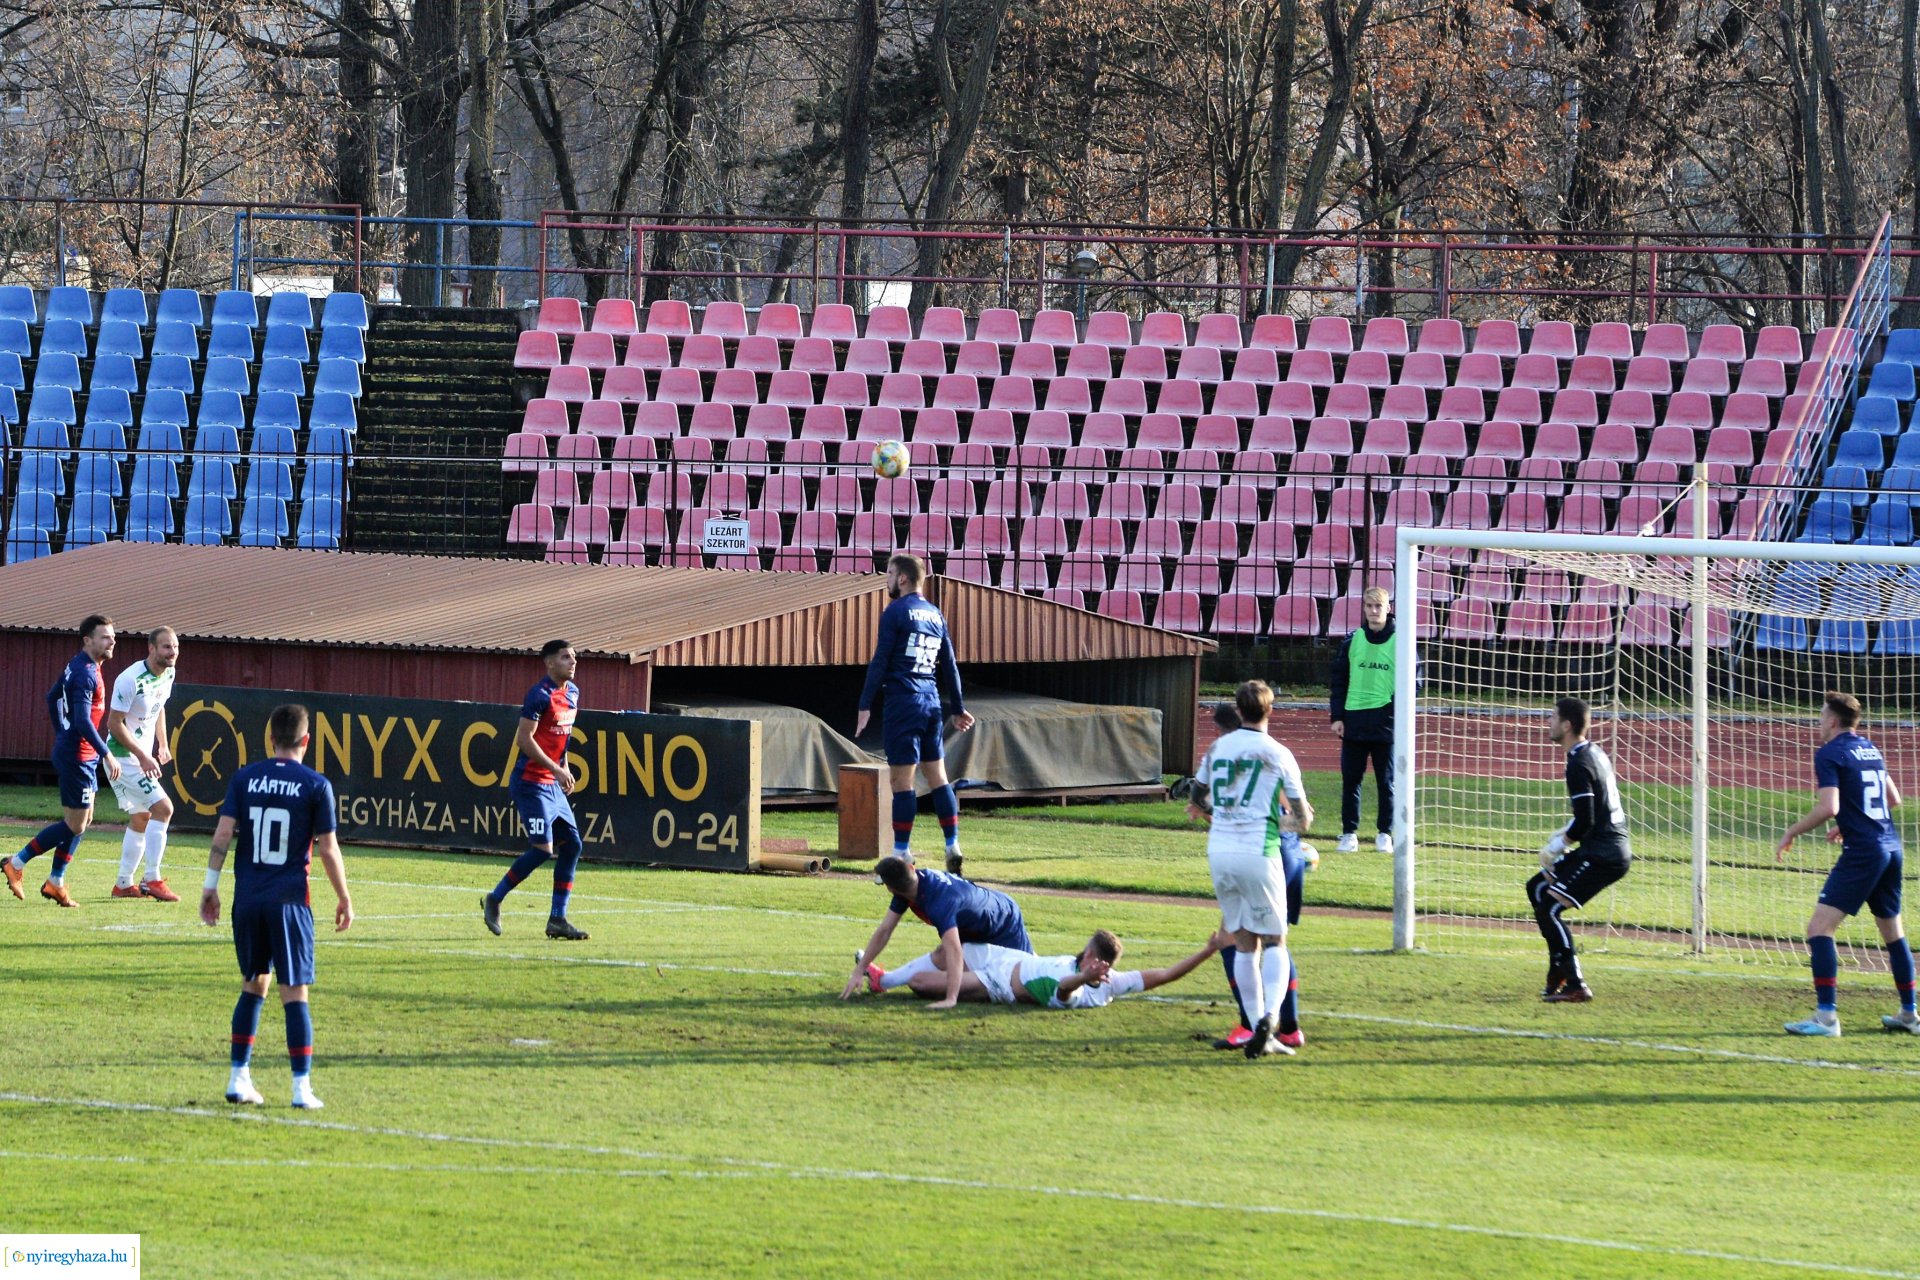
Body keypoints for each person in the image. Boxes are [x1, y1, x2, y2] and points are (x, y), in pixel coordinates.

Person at [198, 703, 352, 1110]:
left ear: (269, 740)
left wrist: (209, 887)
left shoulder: (245, 778)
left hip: (248, 898)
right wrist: (343, 896)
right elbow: (328, 850)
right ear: (307, 740)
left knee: (254, 984)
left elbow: (223, 833)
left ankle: (238, 1078)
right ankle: (301, 1088)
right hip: (288, 901)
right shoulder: (316, 785)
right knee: (294, 992)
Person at [1776, 692, 1917, 1037]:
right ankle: (1910, 1015)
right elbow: (1893, 799)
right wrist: (1852, 821)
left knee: (1819, 929)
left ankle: (1826, 1019)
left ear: (1833, 721)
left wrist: (1791, 831)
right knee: (1893, 933)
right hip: (1890, 848)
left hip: (1864, 853)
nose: (1819, 722)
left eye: (1822, 716)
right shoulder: (1870, 747)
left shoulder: (1829, 753)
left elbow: (1829, 807)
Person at [1194, 701, 1318, 1051]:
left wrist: (1212, 812)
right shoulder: (1271, 754)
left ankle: (1255, 1023)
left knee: (1239, 940)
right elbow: (1299, 812)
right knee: (1274, 937)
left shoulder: (1235, 755)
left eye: (1218, 731)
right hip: (1284, 853)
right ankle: (1284, 1027)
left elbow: (1231, 810)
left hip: (1264, 853)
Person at [855, 554, 975, 875]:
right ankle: (952, 844)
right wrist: (959, 707)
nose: (887, 579)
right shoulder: (936, 615)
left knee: (901, 782)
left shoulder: (895, 612)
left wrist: (865, 704)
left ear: (903, 578)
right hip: (931, 702)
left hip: (903, 702)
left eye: (890, 573)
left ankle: (901, 854)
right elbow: (949, 666)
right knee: (938, 776)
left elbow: (880, 660)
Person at [4, 615, 123, 908]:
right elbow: (82, 720)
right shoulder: (84, 673)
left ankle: (56, 882)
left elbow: (51, 697)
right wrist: (105, 752)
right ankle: (16, 863)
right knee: (75, 824)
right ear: (87, 640)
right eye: (105, 637)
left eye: (112, 637)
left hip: (78, 753)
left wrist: (62, 732)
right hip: (77, 756)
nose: (112, 641)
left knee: (84, 821)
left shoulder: (80, 665)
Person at [481, 640, 590, 941]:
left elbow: (563, 737)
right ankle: (495, 897)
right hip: (530, 784)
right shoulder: (539, 695)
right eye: (565, 657)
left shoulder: (573, 693)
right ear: (549, 663)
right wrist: (555, 769)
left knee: (573, 845)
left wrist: (564, 767)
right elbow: (524, 740)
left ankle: (557, 919)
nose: (573, 662)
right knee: (543, 849)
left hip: (552, 783)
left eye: (574, 657)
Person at [1529, 696, 1631, 1004]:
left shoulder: (1578, 763)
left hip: (1605, 854)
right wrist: (1563, 833)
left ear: (1567, 725)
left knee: (1549, 906)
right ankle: (1557, 970)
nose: (1549, 722)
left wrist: (1558, 846)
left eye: (1553, 717)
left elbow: (1586, 820)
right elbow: (1591, 810)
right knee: (1536, 888)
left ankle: (1576, 982)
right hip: (1602, 847)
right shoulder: (1593, 752)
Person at [840, 856, 1031, 1010]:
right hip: (980, 925)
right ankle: (881, 980)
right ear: (912, 868)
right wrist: (859, 969)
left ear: (890, 888)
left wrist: (951, 997)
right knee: (929, 970)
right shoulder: (911, 887)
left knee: (1024, 979)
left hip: (1004, 922)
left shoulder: (939, 902)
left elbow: (955, 950)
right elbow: (884, 931)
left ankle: (1053, 975)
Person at [880, 928, 1233, 1009]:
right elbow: (1166, 973)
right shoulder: (1094, 970)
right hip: (1010, 958)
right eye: (1090, 956)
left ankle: (891, 979)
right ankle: (881, 979)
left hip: (1000, 984)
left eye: (1096, 962)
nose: (1090, 961)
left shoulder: (1095, 991)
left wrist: (1085, 976)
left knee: (920, 982)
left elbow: (1064, 988)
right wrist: (1207, 950)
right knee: (949, 949)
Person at [106, 626, 181, 901]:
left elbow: (159, 707)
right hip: (121, 757)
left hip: (140, 756)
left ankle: (123, 884)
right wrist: (142, 755)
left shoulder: (169, 673)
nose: (172, 652)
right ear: (151, 648)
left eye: (174, 647)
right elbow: (114, 725)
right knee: (164, 808)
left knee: (142, 817)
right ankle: (152, 879)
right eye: (166, 647)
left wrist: (162, 744)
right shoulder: (130, 679)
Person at [1329, 585, 1397, 854]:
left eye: (1378, 606)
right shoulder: (1352, 641)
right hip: (1354, 721)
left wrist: (1396, 714)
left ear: (1388, 608)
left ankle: (1384, 834)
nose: (1373, 611)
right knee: (1351, 780)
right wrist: (1337, 717)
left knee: (1387, 782)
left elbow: (1413, 683)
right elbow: (1339, 681)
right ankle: (1349, 834)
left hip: (1386, 723)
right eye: (1369, 606)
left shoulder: (1401, 641)